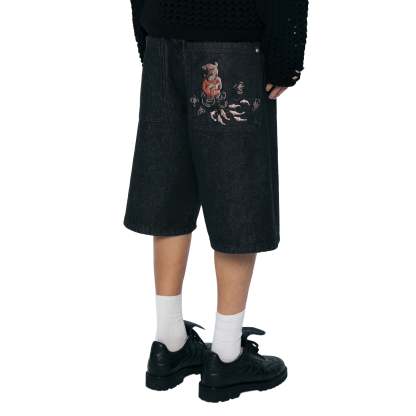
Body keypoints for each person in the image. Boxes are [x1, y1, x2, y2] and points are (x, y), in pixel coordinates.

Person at [124, 0, 309, 402]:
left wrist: (150, 33)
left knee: (169, 191)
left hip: (162, 38)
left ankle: (169, 343)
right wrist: (286, 55)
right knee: (237, 194)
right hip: (231, 41)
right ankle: (226, 355)